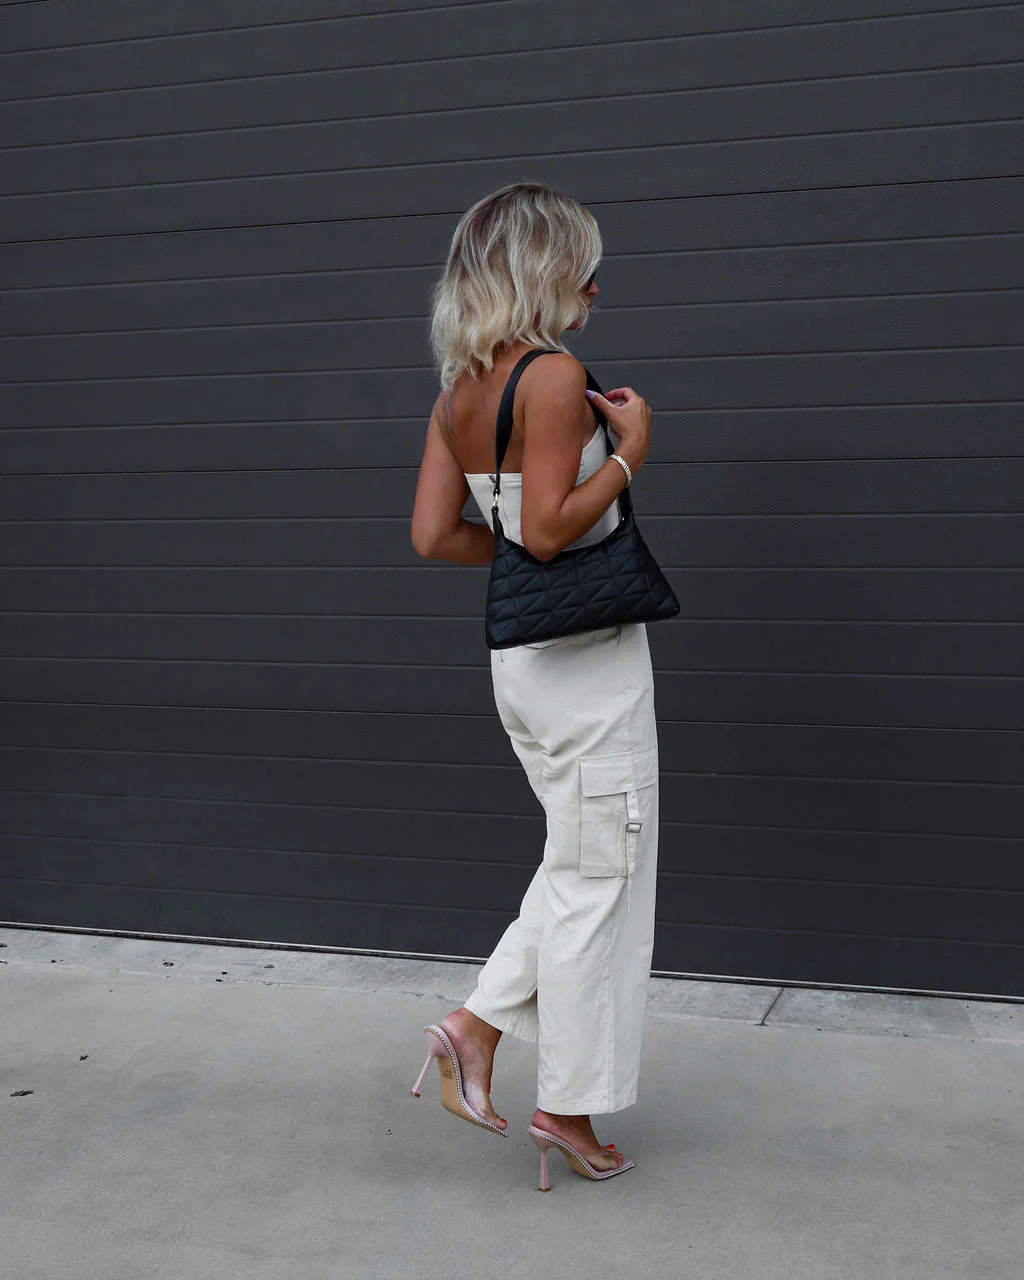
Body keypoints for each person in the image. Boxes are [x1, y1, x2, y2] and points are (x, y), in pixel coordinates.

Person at [409, 182, 660, 1189]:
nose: (596, 289)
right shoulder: (551, 376)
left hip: (522, 663)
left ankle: (474, 1027)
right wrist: (629, 457)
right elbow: (552, 529)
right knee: (601, 881)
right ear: (546, 273)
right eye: (585, 271)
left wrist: (520, 539)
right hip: (586, 663)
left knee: (578, 865)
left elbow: (436, 535)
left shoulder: (458, 391)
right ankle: (568, 1108)